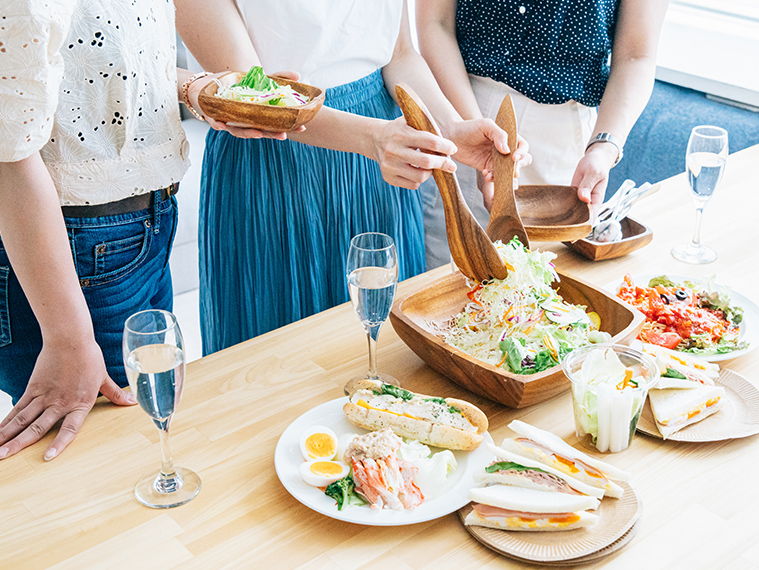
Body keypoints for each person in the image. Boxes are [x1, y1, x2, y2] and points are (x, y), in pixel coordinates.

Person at [175, 0, 531, 355]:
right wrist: (373, 139)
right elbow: (251, 101)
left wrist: (452, 128)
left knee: (389, 355)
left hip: (382, 161)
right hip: (272, 163)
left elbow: (401, 55)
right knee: (278, 362)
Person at [0, 0, 252, 461]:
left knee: (148, 434)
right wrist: (67, 336)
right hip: (75, 248)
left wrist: (197, 88)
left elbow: (100, 62)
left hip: (146, 227)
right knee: (106, 459)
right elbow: (7, 147)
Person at [417, 0, 668, 268]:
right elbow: (436, 22)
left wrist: (604, 147)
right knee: (451, 281)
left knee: (548, 289)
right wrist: (474, 131)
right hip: (466, 113)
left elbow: (637, 55)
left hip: (570, 141)